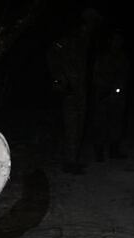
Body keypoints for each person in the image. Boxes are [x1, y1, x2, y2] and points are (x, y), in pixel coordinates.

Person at [46, 8, 103, 174]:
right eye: (91, 20)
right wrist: (60, 79)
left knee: (79, 125)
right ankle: (69, 162)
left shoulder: (88, 40)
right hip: (70, 89)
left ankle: (73, 160)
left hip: (81, 89)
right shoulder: (72, 37)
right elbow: (51, 52)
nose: (93, 24)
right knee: (71, 125)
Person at [88, 29, 129, 161]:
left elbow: (125, 76)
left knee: (116, 123)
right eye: (115, 39)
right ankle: (99, 153)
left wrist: (118, 89)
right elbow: (95, 76)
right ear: (110, 41)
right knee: (100, 123)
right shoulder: (102, 56)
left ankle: (114, 151)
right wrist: (106, 88)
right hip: (103, 94)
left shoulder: (122, 56)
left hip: (118, 95)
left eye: (120, 40)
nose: (117, 42)